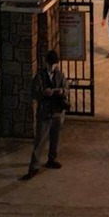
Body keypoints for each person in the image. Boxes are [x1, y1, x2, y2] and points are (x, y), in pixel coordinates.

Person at [21, 49, 68, 179]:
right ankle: (34, 166)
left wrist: (61, 91)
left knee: (55, 138)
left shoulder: (60, 75)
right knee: (40, 140)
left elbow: (66, 88)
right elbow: (34, 92)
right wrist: (43, 92)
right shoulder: (40, 77)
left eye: (55, 64)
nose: (53, 66)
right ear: (47, 63)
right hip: (45, 112)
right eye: (51, 63)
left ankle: (51, 159)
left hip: (57, 111)